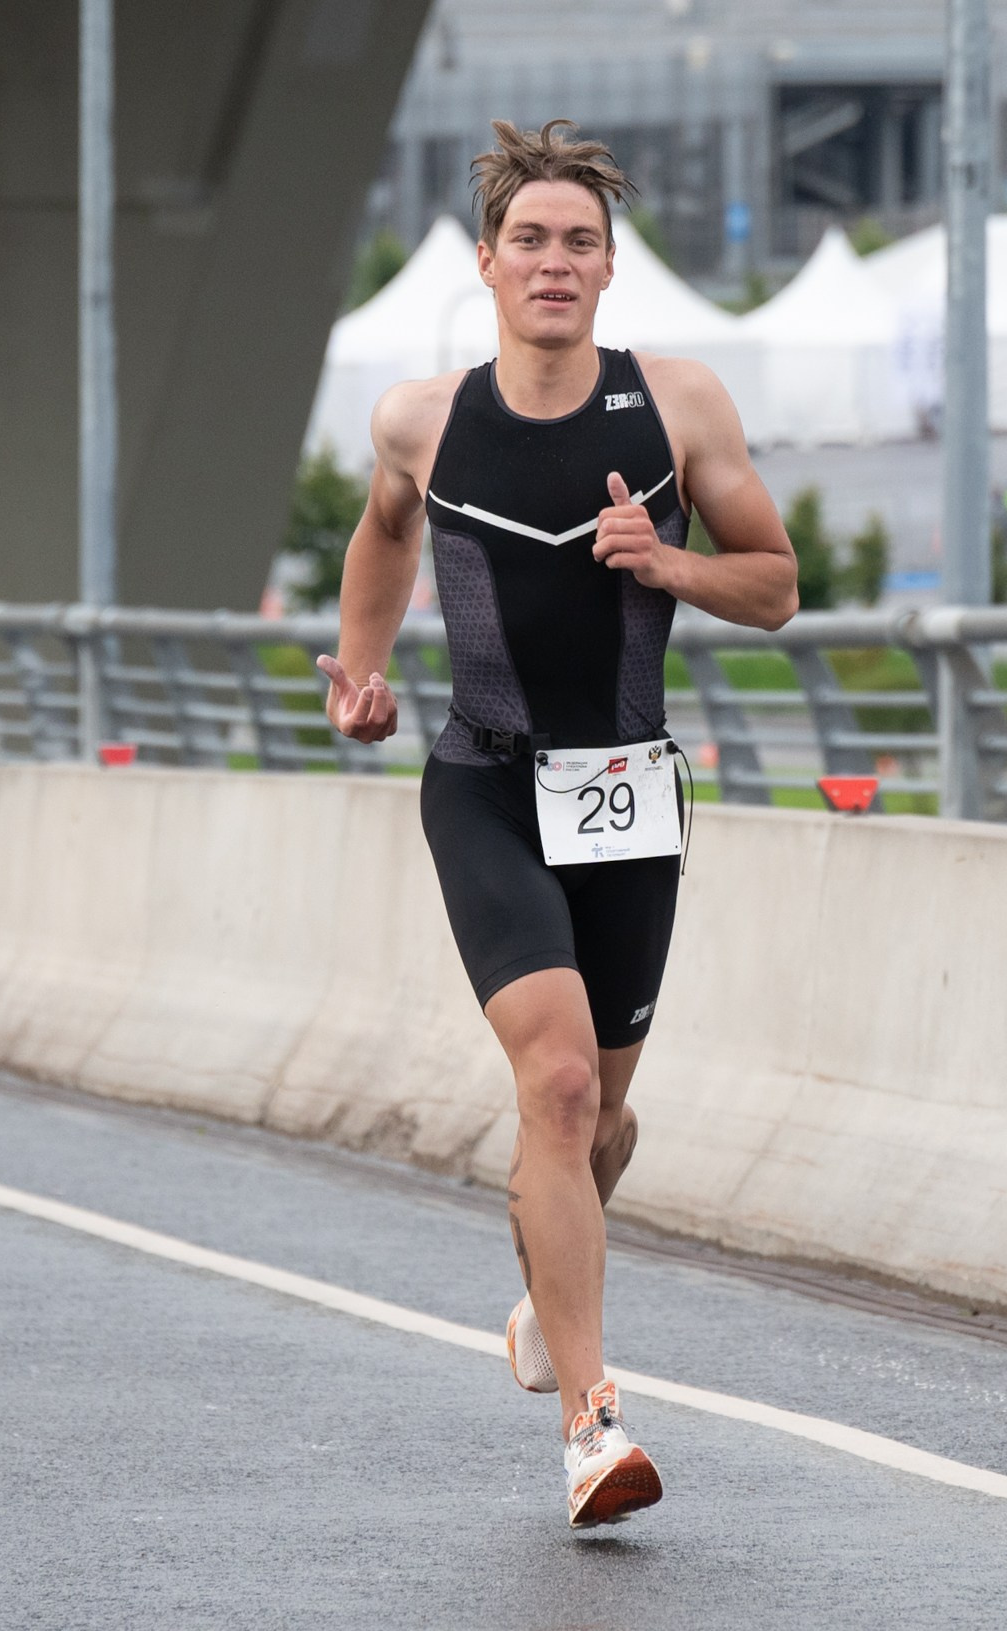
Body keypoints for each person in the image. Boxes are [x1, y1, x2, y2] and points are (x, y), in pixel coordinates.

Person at [318, 120, 797, 1527]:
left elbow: (772, 583)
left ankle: (546, 1266)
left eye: (577, 241)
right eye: (528, 238)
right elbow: (384, 531)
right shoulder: (422, 416)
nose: (553, 261)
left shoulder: (679, 408)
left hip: (627, 791)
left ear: (605, 266)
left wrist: (669, 562)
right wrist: (360, 674)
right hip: (483, 778)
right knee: (558, 1084)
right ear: (485, 262)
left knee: (604, 1118)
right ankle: (594, 1422)